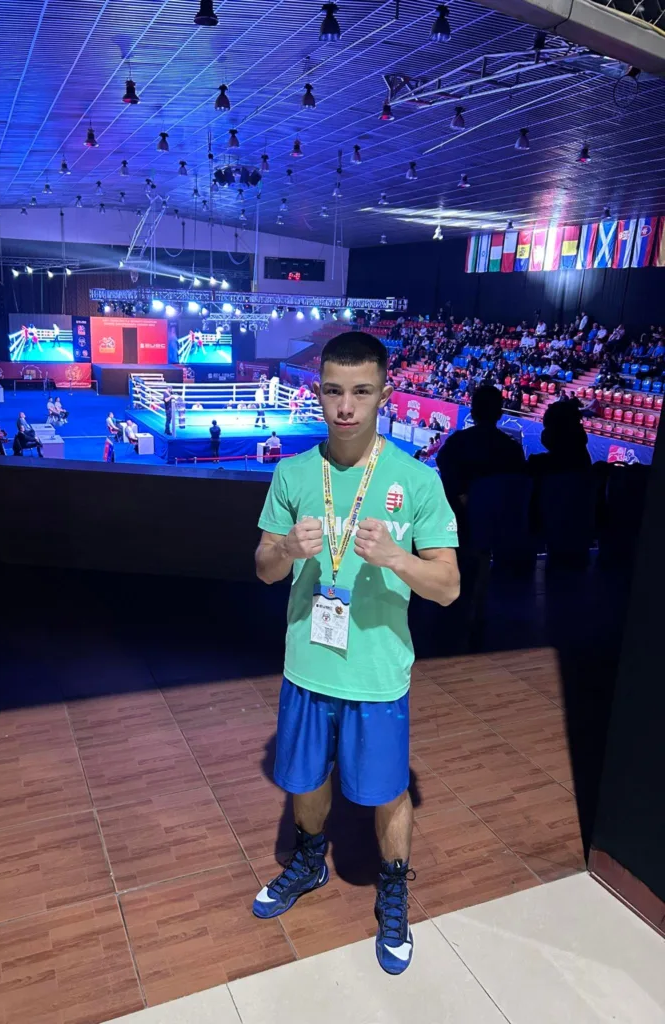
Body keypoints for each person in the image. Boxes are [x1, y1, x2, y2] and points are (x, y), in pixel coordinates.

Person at [253, 332, 460, 976]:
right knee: (306, 779)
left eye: (361, 392)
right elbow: (263, 568)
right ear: (318, 393)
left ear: (384, 395)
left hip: (376, 673)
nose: (346, 407)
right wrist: (286, 548)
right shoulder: (293, 473)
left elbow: (449, 587)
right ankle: (309, 861)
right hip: (307, 664)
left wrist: (398, 558)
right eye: (334, 392)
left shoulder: (416, 480)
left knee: (387, 790)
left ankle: (393, 887)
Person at [436, 385, 526, 516]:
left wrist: (461, 497)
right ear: (500, 414)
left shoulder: (456, 441)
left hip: (460, 517)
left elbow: (443, 464)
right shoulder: (513, 448)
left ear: (472, 414)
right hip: (498, 519)